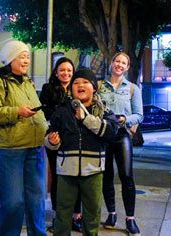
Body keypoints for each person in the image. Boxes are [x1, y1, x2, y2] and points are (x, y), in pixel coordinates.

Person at [0, 40, 48, 235]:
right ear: (10, 59)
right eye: (22, 56)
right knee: (13, 202)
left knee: (37, 201)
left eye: (27, 56)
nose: (26, 60)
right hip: (10, 150)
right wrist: (16, 111)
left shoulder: (29, 82)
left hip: (35, 149)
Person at [44, 68, 118, 236]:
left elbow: (111, 133)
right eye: (76, 83)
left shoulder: (104, 111)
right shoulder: (62, 112)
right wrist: (51, 141)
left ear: (94, 88)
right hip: (66, 172)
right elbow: (48, 137)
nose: (80, 85)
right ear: (71, 89)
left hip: (94, 171)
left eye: (85, 82)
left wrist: (86, 118)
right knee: (62, 214)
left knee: (92, 214)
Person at [98, 52, 143, 235]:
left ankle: (130, 219)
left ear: (127, 67)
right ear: (112, 63)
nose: (120, 65)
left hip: (122, 135)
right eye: (117, 61)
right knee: (106, 176)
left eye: (123, 63)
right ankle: (111, 214)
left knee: (126, 176)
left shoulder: (132, 88)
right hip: (103, 135)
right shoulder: (100, 86)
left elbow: (139, 115)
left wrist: (125, 118)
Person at [39, 57, 82, 232]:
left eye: (69, 71)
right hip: (55, 135)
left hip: (74, 137)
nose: (66, 73)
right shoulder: (48, 89)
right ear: (56, 72)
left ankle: (76, 215)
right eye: (62, 70)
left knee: (77, 175)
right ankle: (59, 216)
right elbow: (44, 110)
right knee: (58, 176)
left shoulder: (77, 87)